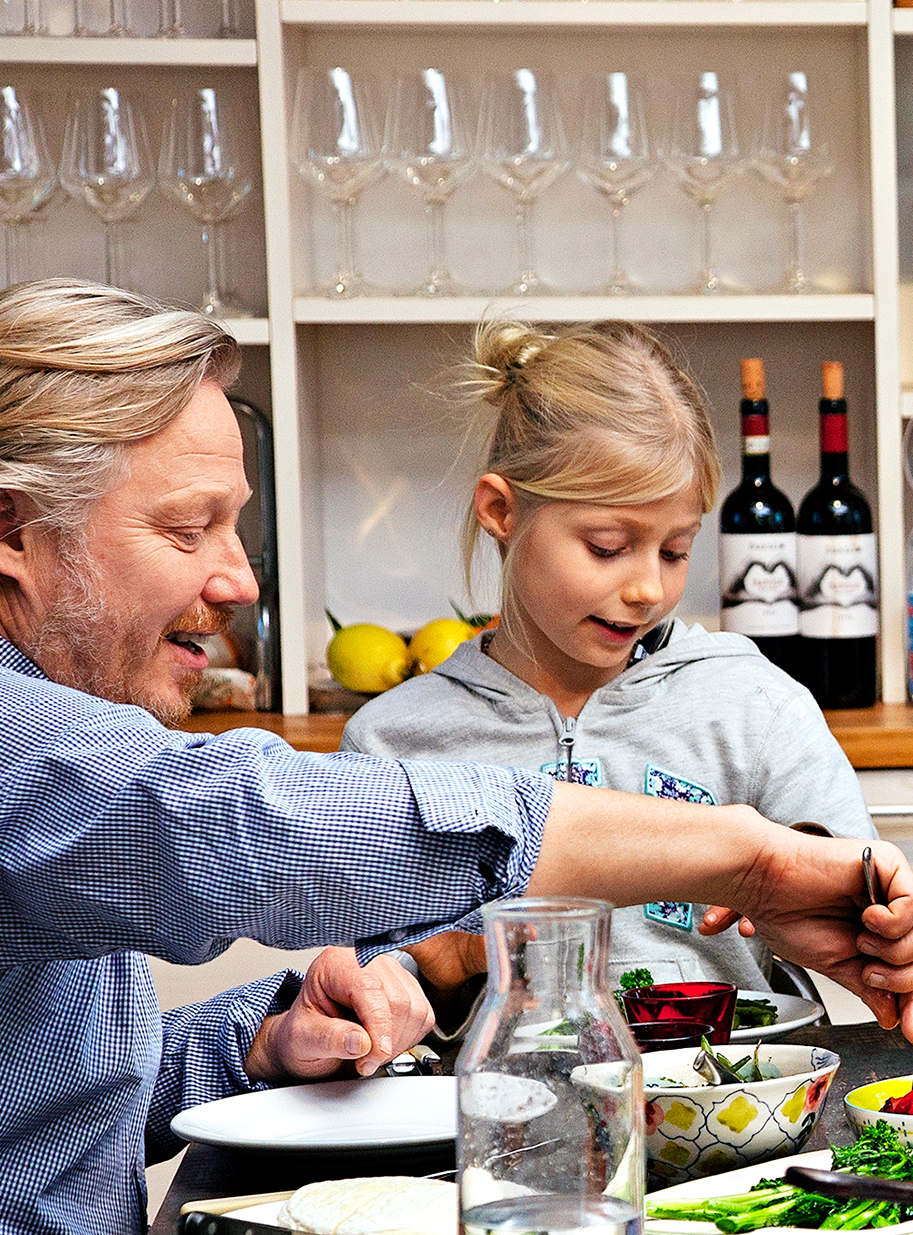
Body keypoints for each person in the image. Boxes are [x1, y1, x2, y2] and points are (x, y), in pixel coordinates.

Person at [0, 282, 913, 1235]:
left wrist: (259, 1034)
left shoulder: (24, 736)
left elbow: (17, 1085)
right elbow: (247, 819)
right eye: (191, 528)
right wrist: (745, 854)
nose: (240, 580)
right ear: (9, 533)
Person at [340, 322, 871, 1007]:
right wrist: (437, 965)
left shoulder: (756, 706)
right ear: (502, 510)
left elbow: (855, 895)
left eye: (675, 551)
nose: (647, 587)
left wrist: (865, 917)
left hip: (725, 1106)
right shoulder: (393, 745)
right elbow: (376, 987)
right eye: (608, 545)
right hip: (492, 1108)